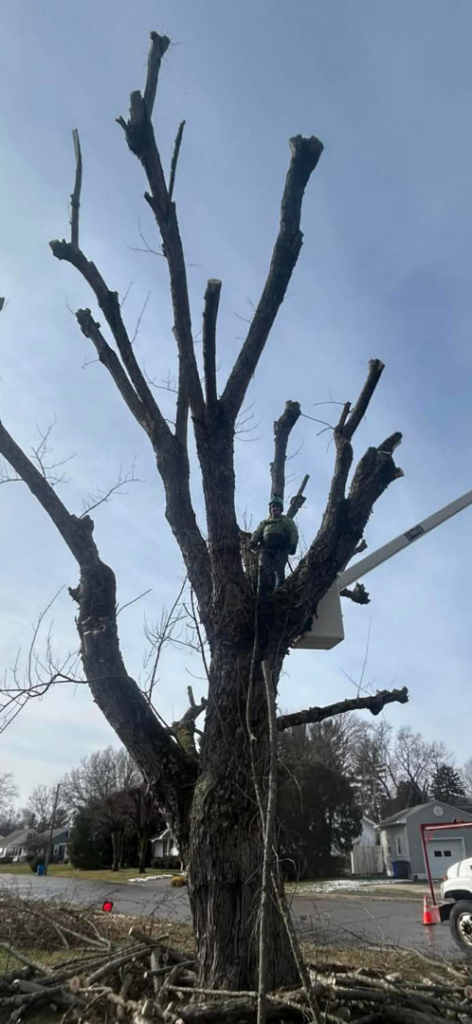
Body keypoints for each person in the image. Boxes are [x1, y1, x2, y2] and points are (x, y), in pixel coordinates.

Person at [250, 495, 299, 590]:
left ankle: (279, 591)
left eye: (277, 507)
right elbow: (258, 532)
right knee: (263, 569)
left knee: (279, 569)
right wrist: (253, 542)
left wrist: (293, 545)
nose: (275, 509)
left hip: (281, 549)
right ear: (270, 509)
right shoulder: (264, 523)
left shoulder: (286, 521)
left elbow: (294, 533)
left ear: (280, 509)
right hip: (266, 549)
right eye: (273, 507)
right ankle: (261, 592)